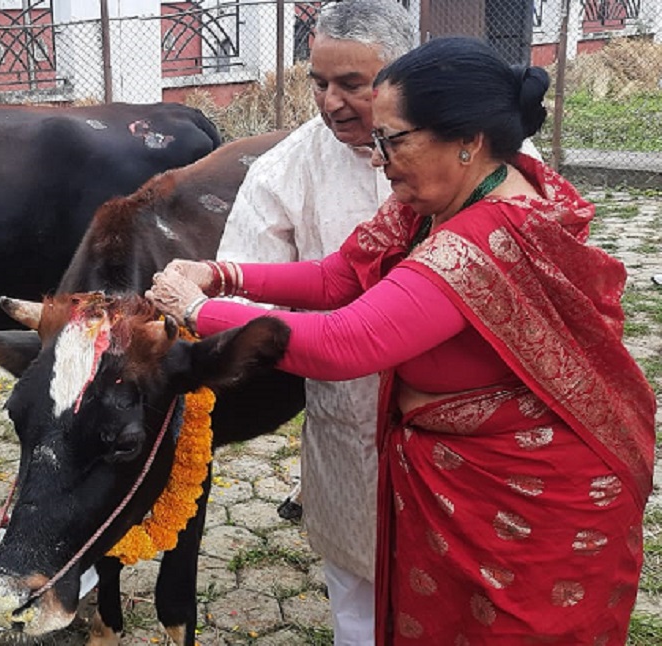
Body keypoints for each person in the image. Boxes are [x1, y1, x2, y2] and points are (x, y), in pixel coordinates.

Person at [148, 37, 655, 644]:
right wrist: (223, 274)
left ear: (465, 139)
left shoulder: (479, 245)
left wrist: (200, 311)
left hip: (523, 508)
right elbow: (339, 276)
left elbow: (344, 343)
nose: (378, 160)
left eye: (393, 141)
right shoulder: (437, 203)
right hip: (457, 489)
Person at [216, 2, 416, 642]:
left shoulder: (472, 151)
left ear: (405, 70)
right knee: (355, 585)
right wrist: (208, 305)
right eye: (318, 82)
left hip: (458, 424)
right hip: (349, 418)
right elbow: (254, 295)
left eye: (352, 84)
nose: (330, 103)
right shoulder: (288, 167)